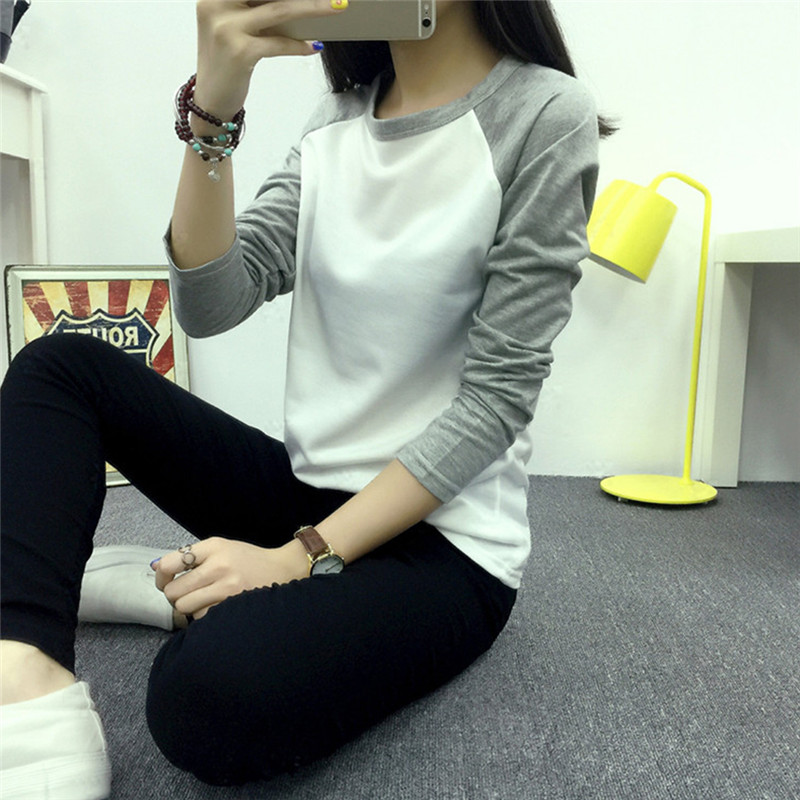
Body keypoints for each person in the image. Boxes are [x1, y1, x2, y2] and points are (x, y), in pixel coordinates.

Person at [0, 0, 609, 796]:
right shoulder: (338, 119)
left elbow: (495, 401)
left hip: (443, 545)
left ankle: (175, 593)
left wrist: (294, 560)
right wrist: (214, 108)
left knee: (206, 698)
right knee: (59, 368)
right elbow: (211, 301)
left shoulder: (545, 114)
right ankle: (23, 675)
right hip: (307, 493)